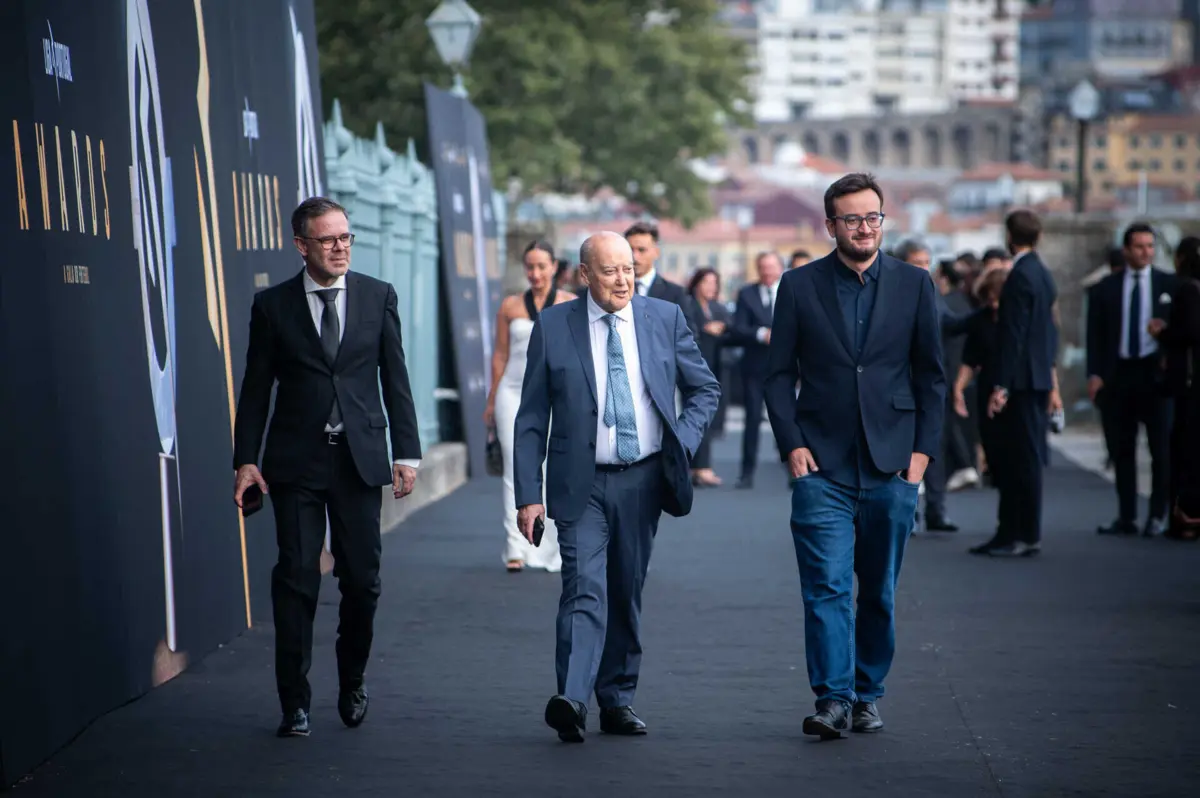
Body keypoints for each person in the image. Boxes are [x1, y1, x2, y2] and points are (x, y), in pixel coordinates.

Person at [513, 231, 719, 743]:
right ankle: (572, 699)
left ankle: (617, 698)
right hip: (578, 482)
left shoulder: (664, 318)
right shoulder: (553, 325)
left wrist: (680, 444)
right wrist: (528, 494)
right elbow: (532, 417)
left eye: (629, 269)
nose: (623, 280)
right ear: (585, 275)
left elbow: (704, 389)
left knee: (625, 590)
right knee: (583, 587)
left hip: (643, 479)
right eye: (610, 271)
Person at [232, 196, 422, 738]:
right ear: (302, 245)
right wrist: (245, 460)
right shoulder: (273, 307)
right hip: (297, 463)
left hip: (359, 460)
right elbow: (255, 390)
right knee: (296, 578)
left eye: (345, 237)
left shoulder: (378, 296)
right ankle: (294, 701)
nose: (340, 248)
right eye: (328, 239)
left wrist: (406, 453)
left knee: (362, 580)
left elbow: (396, 378)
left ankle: (352, 679)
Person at [764, 173, 945, 738]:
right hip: (821, 463)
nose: (864, 228)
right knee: (826, 587)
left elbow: (931, 378)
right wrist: (792, 445)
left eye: (873, 218)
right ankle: (833, 698)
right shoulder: (798, 286)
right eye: (852, 219)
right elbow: (777, 376)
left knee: (879, 592)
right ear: (830, 226)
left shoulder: (915, 285)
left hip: (894, 464)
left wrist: (921, 457)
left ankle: (868, 693)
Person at [484, 240, 574, 572]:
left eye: (541, 266)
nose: (535, 273)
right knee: (514, 466)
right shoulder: (510, 306)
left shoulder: (570, 303)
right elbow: (500, 355)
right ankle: (515, 547)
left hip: (553, 396)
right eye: (530, 267)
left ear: (554, 267)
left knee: (552, 467)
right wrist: (492, 398)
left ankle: (551, 546)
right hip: (512, 392)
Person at [1086, 223, 1177, 537]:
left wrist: (1165, 338)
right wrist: (1095, 374)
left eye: (1150, 246)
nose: (1146, 252)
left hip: (1155, 375)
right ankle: (1126, 516)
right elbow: (1095, 336)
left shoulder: (1169, 285)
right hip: (1119, 375)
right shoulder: (1105, 289)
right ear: (1126, 250)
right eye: (1139, 246)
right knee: (1121, 449)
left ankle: (1157, 515)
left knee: (1160, 449)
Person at [982, 209, 1059, 557]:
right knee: (1027, 457)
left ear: (1009, 237)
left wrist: (1001, 385)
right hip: (1036, 377)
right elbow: (1049, 332)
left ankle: (1022, 533)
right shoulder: (1043, 275)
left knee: (1020, 460)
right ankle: (1020, 532)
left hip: (1021, 381)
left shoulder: (1019, 277)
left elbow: (1013, 335)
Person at [1149, 236, 1200, 540]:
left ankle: (1186, 517)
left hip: (1188, 385)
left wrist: (1162, 333)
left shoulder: (1188, 290)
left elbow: (1189, 332)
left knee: (1184, 452)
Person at [732, 251, 785, 489]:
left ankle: (793, 471)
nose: (767, 272)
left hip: (784, 368)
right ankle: (747, 472)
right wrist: (762, 334)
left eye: (771, 267)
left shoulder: (791, 291)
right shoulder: (747, 294)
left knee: (785, 419)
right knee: (752, 420)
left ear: (780, 268)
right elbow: (738, 328)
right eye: (763, 267)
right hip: (754, 367)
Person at [685, 267, 733, 486]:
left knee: (708, 420)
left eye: (714, 283)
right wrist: (705, 330)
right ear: (696, 284)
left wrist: (722, 328)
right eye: (707, 282)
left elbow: (732, 328)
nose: (711, 287)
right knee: (696, 417)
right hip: (693, 369)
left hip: (715, 368)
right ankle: (700, 467)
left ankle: (699, 467)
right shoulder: (688, 305)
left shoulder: (717, 308)